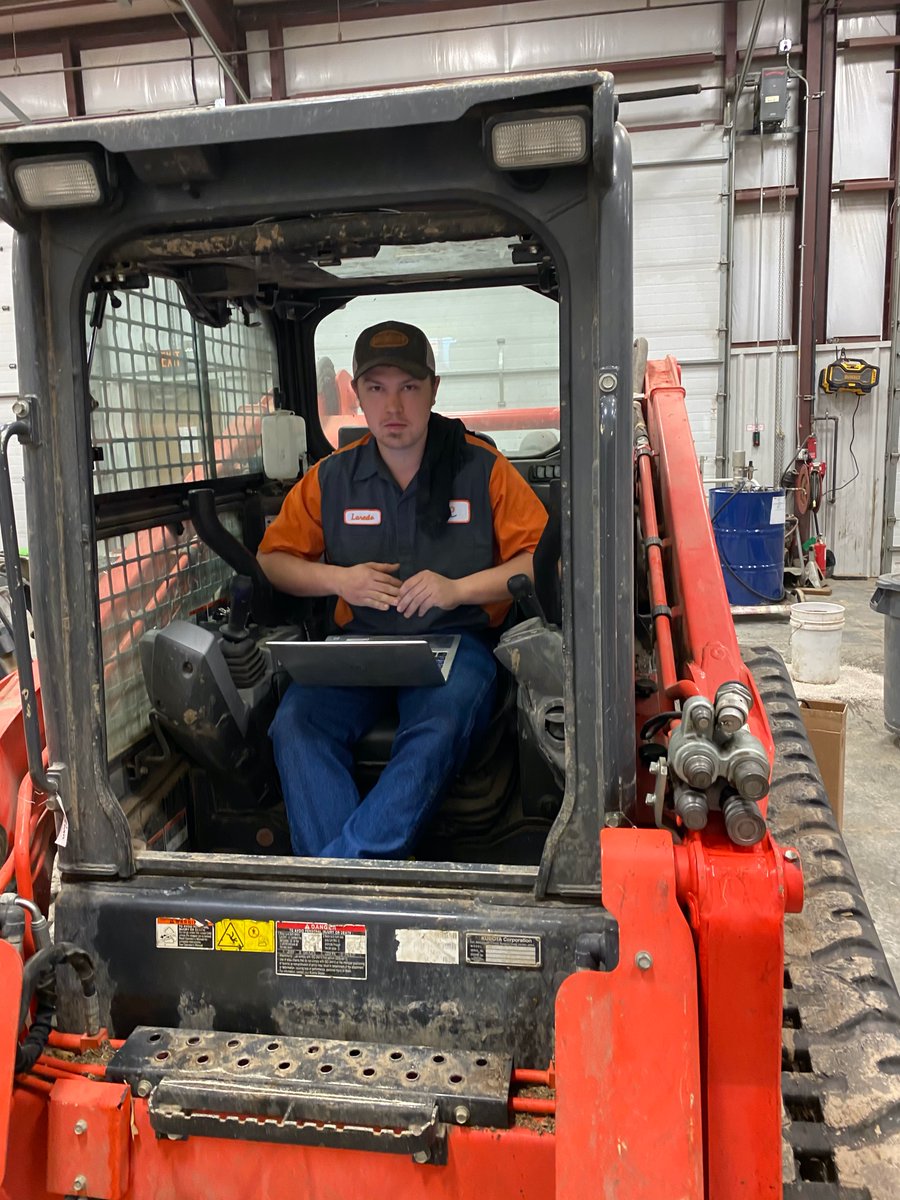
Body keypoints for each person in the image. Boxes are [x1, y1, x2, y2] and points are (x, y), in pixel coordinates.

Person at [257, 320, 548, 859]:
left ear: (433, 389)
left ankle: (339, 878)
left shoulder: (483, 469)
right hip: (357, 650)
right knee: (295, 722)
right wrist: (339, 580)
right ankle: (347, 884)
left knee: (438, 725)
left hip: (456, 651)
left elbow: (540, 562)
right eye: (377, 389)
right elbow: (272, 559)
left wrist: (457, 590)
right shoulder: (331, 478)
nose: (393, 407)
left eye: (409, 388)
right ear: (359, 397)